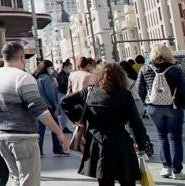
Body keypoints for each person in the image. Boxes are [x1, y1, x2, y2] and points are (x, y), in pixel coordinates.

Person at [0, 41, 70, 186]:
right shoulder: (23, 77)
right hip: (23, 136)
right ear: (22, 58)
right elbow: (39, 109)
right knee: (29, 180)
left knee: (16, 178)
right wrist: (59, 132)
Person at [62, 61, 154, 186]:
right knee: (127, 179)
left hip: (98, 142)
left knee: (104, 180)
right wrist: (141, 144)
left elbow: (65, 102)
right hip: (121, 141)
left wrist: (79, 120)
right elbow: (135, 123)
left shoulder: (89, 92)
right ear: (120, 76)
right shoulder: (125, 95)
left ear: (98, 76)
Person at [136, 44, 185, 178]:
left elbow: (139, 89)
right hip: (173, 106)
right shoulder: (176, 69)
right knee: (175, 138)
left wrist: (147, 104)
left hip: (153, 107)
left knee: (162, 137)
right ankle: (177, 171)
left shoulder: (145, 68)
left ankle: (166, 167)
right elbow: (182, 89)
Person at [32, 61, 66, 158]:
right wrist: (55, 106)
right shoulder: (47, 78)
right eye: (51, 68)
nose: (52, 70)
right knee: (56, 128)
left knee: (40, 130)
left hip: (39, 106)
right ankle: (57, 149)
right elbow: (50, 94)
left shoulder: (36, 78)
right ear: (46, 68)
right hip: (49, 106)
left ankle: (39, 150)